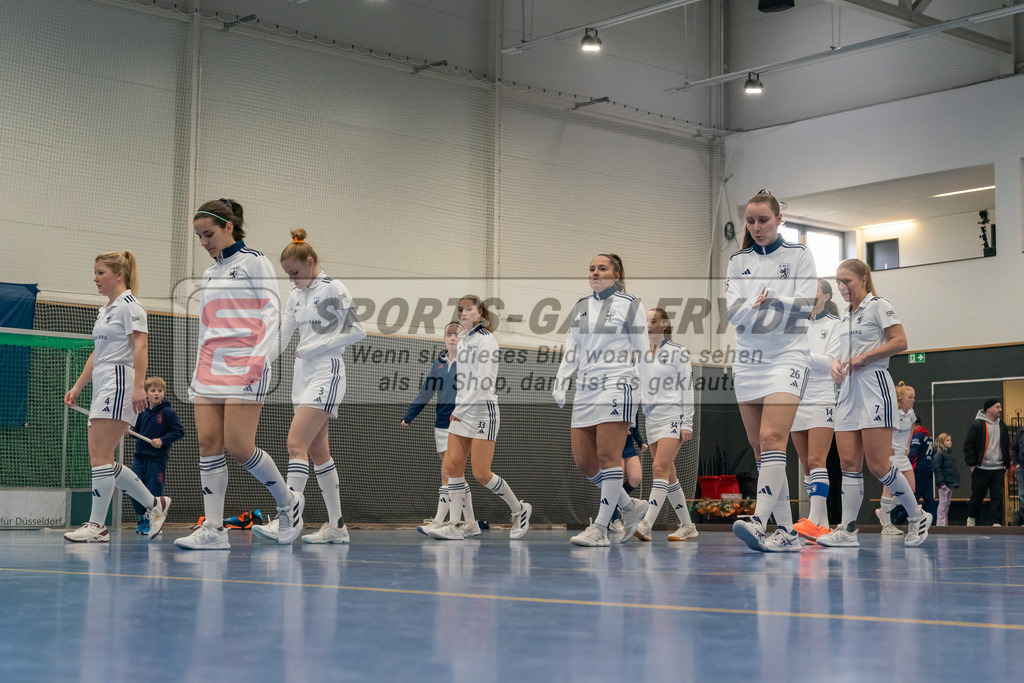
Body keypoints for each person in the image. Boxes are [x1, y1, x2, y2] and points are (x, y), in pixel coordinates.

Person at [175, 199, 303, 550]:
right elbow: (207, 325)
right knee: (207, 444)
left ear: (229, 227)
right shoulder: (209, 273)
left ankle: (289, 503)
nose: (204, 242)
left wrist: (259, 359)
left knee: (239, 447)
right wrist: (196, 373)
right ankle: (213, 530)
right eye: (199, 236)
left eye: (209, 234)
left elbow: (271, 312)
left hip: (247, 362)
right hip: (210, 368)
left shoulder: (254, 262)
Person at [251, 229, 366, 545]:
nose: (292, 279)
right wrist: (259, 359)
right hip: (301, 377)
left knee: (294, 443)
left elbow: (357, 331)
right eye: (287, 274)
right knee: (318, 452)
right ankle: (337, 526)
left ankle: (288, 518)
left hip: (327, 372)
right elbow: (282, 337)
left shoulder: (333, 289)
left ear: (311, 262)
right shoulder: (295, 296)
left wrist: (316, 348)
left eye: (296, 272)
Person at [816, 259, 932, 548]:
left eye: (847, 281)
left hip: (875, 387)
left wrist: (867, 357)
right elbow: (841, 357)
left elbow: (901, 341)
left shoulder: (879, 305)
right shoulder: (845, 317)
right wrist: (836, 367)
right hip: (848, 391)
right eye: (838, 282)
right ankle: (847, 530)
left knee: (879, 466)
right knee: (848, 463)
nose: (842, 287)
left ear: (864, 279)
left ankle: (917, 517)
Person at [725, 190, 817, 553]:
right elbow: (734, 314)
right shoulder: (737, 261)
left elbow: (807, 307)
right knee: (761, 450)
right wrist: (753, 305)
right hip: (749, 360)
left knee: (772, 439)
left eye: (763, 219)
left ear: (780, 219)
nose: (756, 226)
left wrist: (777, 301)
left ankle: (758, 522)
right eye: (750, 221)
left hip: (788, 356)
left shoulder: (799, 255)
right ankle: (790, 533)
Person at [63, 251, 171, 542]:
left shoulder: (131, 306)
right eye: (95, 272)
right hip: (103, 381)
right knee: (101, 458)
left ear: (118, 275)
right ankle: (154, 504)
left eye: (101, 273)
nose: (95, 278)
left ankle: (97, 526)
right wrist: (78, 386)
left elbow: (141, 346)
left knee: (100, 457)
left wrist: (138, 387)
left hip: (120, 382)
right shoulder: (105, 310)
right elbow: (98, 354)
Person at [553, 254, 654, 547]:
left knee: (609, 458)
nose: (595, 273)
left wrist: (647, 393)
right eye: (592, 269)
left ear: (617, 274)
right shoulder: (581, 307)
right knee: (585, 462)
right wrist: (562, 380)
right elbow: (572, 346)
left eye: (602, 268)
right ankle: (629, 505)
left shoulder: (631, 304)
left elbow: (643, 351)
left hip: (617, 383)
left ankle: (599, 528)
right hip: (586, 387)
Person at [427, 295, 531, 540]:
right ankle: (457, 524)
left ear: (481, 312)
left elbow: (483, 382)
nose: (463, 312)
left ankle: (519, 510)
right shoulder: (463, 340)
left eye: (469, 309)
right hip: (462, 411)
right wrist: (459, 408)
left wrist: (460, 410)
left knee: (481, 474)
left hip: (483, 411)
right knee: (452, 466)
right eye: (460, 309)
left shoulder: (487, 341)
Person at [403, 322, 479, 536]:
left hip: (461, 423)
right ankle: (470, 523)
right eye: (449, 335)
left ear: (462, 339)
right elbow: (426, 392)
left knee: (449, 472)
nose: (453, 338)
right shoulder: (438, 363)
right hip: (441, 424)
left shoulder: (468, 362)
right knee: (452, 474)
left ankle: (439, 521)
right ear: (444, 339)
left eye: (457, 334)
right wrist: (410, 415)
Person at [634, 308, 698, 542]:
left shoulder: (677, 352)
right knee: (669, 475)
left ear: (664, 324)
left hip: (673, 415)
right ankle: (688, 526)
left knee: (659, 468)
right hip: (652, 418)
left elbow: (687, 388)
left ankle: (646, 524)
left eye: (652, 320)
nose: (648, 325)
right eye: (645, 321)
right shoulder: (641, 354)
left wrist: (687, 422)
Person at [791, 278, 841, 541]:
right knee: (806, 466)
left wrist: (797, 355)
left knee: (816, 461)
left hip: (822, 395)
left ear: (826, 296)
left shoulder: (836, 326)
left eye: (814, 292)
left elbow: (830, 363)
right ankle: (821, 524)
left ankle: (814, 520)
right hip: (795, 396)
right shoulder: (796, 326)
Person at [129, 376, 184, 533]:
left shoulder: (168, 412)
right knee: (133, 488)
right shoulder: (142, 412)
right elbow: (137, 432)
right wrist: (129, 431)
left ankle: (154, 523)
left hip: (157, 460)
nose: (156, 394)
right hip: (140, 458)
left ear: (164, 393)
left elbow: (179, 431)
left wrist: (162, 439)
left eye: (160, 391)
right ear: (146, 393)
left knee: (154, 491)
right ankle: (142, 518)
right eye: (153, 391)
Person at [874, 381, 916, 533]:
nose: (912, 400)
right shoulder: (892, 413)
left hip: (902, 455)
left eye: (914, 397)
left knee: (910, 489)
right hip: (891, 456)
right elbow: (881, 429)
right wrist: (886, 447)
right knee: (889, 490)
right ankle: (886, 525)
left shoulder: (910, 413)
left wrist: (908, 444)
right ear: (900, 399)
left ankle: (882, 511)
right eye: (909, 397)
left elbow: (912, 426)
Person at [963, 399, 1010, 527]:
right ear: (989, 409)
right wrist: (972, 464)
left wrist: (1006, 465)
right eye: (997, 407)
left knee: (997, 497)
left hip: (998, 468)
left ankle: (996, 522)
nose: (1000, 409)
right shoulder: (977, 425)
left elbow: (1006, 446)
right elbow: (969, 445)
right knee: (977, 496)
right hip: (981, 468)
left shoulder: (1002, 426)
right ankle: (971, 518)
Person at [909, 417, 936, 519]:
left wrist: (906, 463)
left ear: (914, 424)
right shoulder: (928, 436)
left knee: (912, 495)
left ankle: (902, 519)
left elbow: (913, 452)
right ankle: (933, 519)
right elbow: (933, 452)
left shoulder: (918, 435)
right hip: (928, 468)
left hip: (919, 468)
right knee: (928, 497)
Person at [932, 432, 959, 526]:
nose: (950, 442)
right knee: (943, 503)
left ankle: (944, 523)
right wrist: (940, 482)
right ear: (941, 442)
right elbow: (937, 469)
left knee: (947, 504)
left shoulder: (948, 454)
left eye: (950, 440)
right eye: (947, 440)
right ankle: (940, 524)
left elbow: (952, 469)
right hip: (944, 483)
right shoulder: (939, 455)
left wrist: (956, 479)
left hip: (950, 482)